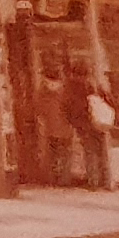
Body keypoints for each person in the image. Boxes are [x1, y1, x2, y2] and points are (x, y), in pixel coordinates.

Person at [62, 58, 114, 191]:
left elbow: (68, 105)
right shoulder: (94, 84)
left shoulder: (72, 86)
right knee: (101, 150)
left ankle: (94, 181)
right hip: (99, 120)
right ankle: (106, 179)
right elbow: (108, 99)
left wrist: (72, 120)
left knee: (90, 151)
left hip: (84, 122)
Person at [33, 58, 72, 187]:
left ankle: (53, 178)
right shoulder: (64, 90)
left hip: (50, 126)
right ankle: (65, 179)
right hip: (65, 125)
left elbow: (38, 108)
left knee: (53, 154)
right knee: (65, 153)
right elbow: (69, 106)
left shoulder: (43, 91)